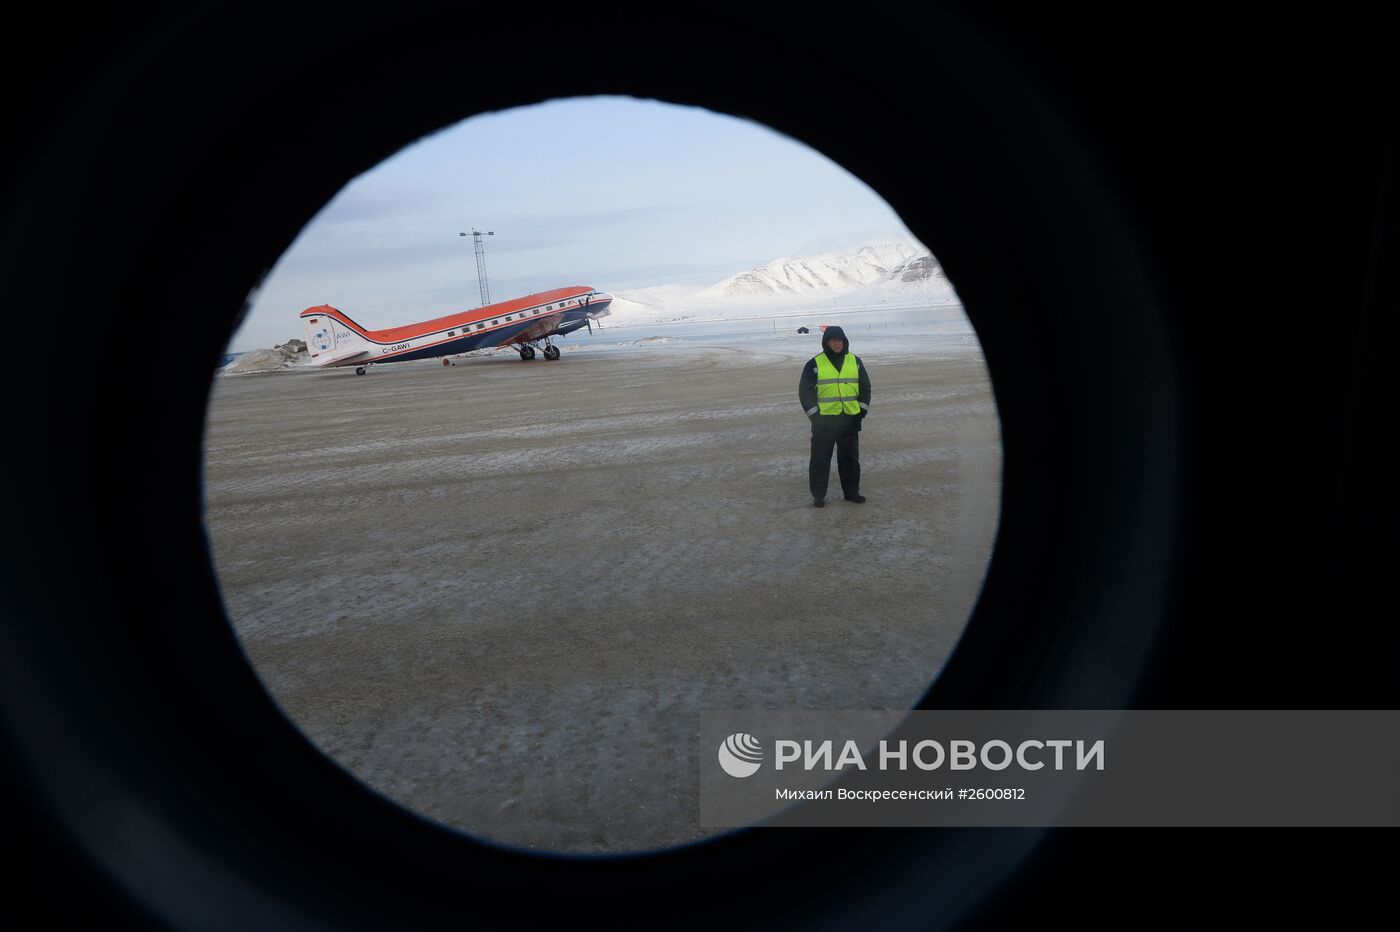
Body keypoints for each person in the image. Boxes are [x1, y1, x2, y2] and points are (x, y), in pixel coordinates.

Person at [798, 325, 871, 506]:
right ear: (826, 342)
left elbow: (865, 387)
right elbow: (805, 392)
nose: (837, 343)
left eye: (840, 340)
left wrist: (861, 411)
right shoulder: (814, 364)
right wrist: (815, 415)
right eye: (833, 340)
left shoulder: (855, 361)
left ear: (844, 341)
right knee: (820, 461)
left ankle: (851, 492)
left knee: (850, 461)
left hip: (849, 420)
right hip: (824, 423)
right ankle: (818, 496)